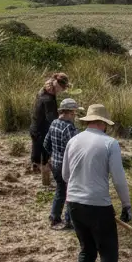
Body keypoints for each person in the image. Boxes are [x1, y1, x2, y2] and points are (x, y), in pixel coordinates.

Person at [63, 103, 132, 262]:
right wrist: (126, 204)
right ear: (103, 123)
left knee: (87, 249)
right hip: (98, 205)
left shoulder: (73, 141)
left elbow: (65, 175)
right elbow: (119, 179)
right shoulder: (109, 143)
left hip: (73, 202)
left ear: (88, 121)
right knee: (108, 252)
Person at [43, 97, 80, 230]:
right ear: (68, 112)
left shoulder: (54, 123)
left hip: (55, 164)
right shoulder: (69, 128)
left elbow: (46, 143)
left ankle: (54, 217)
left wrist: (54, 155)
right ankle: (68, 220)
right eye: (74, 113)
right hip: (67, 166)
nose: (74, 116)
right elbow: (75, 149)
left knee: (60, 191)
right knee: (70, 192)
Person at [30, 72, 69, 175]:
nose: (63, 90)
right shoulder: (48, 99)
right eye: (63, 88)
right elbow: (51, 118)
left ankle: (38, 168)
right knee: (44, 155)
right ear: (58, 85)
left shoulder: (45, 90)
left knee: (37, 153)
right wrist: (63, 118)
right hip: (41, 130)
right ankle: (43, 174)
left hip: (35, 126)